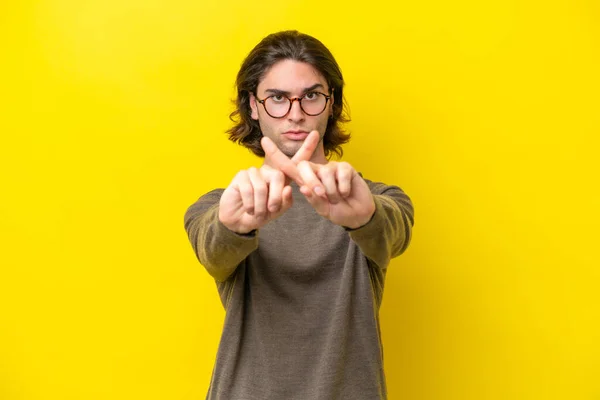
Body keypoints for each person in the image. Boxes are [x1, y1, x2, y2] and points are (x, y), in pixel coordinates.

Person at [184, 30, 415, 400]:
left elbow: (392, 232)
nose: (295, 114)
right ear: (254, 105)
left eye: (310, 96)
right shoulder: (221, 205)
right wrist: (232, 225)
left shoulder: (377, 199)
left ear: (332, 103)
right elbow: (212, 248)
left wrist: (363, 217)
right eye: (277, 98)